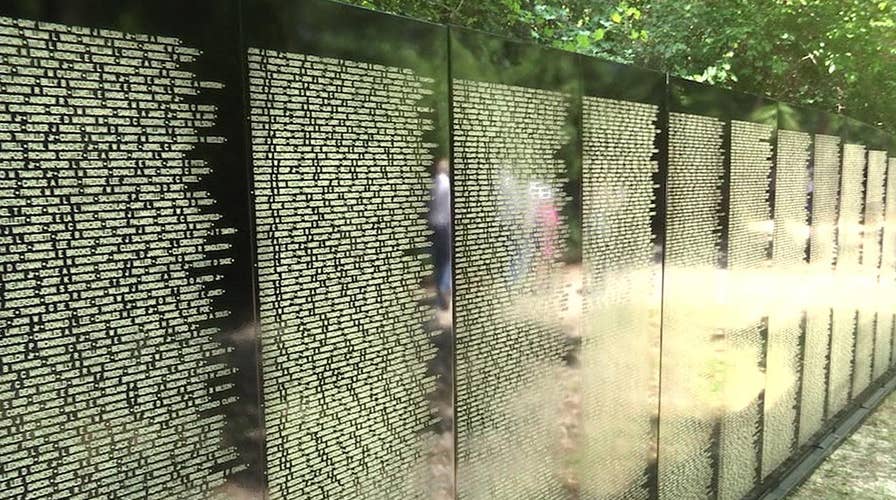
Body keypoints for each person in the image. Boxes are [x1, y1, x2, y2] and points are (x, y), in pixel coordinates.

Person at [429, 158, 452, 310]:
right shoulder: (448, 184)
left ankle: (439, 296)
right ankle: (444, 290)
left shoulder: (432, 184)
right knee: (446, 261)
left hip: (434, 227)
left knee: (438, 263)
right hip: (445, 227)